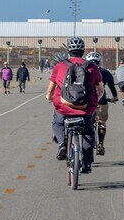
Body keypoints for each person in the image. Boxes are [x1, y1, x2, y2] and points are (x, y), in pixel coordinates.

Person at [46, 37, 103, 174]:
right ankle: (87, 164)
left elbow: (51, 89)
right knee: (88, 133)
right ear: (83, 51)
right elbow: (100, 90)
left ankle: (62, 145)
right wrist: (94, 102)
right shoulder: (92, 67)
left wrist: (48, 97)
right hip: (86, 109)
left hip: (64, 107)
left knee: (57, 124)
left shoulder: (60, 66)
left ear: (69, 51)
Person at [85, 51, 118, 155]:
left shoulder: (83, 70)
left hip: (86, 102)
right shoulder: (105, 72)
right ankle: (100, 145)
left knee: (84, 123)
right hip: (101, 101)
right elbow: (111, 86)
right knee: (101, 123)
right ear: (99, 61)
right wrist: (114, 97)